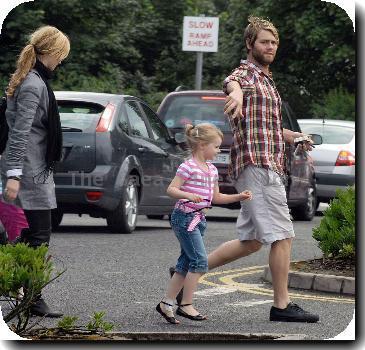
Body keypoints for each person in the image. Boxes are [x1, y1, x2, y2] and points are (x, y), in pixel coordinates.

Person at [202, 16, 319, 323]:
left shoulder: (267, 82)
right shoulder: (247, 73)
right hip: (258, 164)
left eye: (274, 42)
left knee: (252, 241)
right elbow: (232, 83)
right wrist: (236, 94)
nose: (270, 47)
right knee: (282, 235)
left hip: (267, 165)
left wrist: (295, 136)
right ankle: (282, 305)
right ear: (250, 44)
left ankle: (188, 268)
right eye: (265, 41)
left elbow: (270, 128)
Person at [1, 25, 70, 317]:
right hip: (28, 172)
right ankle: (32, 299)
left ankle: (29, 297)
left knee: (26, 236)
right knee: (38, 236)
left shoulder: (31, 80)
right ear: (51, 52)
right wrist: (14, 175)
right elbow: (19, 133)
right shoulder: (34, 84)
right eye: (61, 55)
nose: (61, 61)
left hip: (33, 169)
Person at [156, 123, 252, 324]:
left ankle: (167, 303)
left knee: (185, 263)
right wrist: (188, 194)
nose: (219, 151)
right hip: (184, 218)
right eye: (216, 146)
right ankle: (186, 305)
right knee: (200, 262)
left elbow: (216, 197)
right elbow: (171, 189)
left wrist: (239, 197)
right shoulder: (187, 167)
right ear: (201, 145)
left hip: (199, 220)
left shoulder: (212, 170)